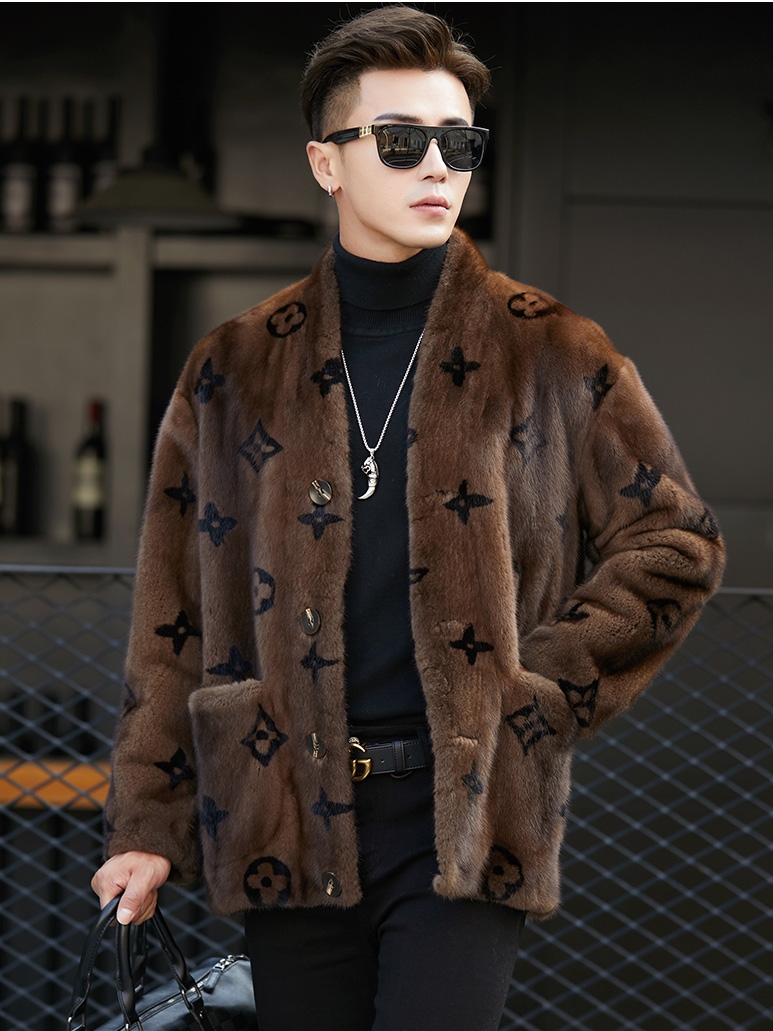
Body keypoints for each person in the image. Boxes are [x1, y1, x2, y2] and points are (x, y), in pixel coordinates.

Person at [92, 6, 725, 1030]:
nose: (436, 165)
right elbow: (171, 617)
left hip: (463, 812)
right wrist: (145, 824)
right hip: (281, 805)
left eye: (458, 143)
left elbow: (675, 540)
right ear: (326, 162)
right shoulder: (235, 366)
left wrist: (534, 691)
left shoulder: (550, 349)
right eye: (399, 141)